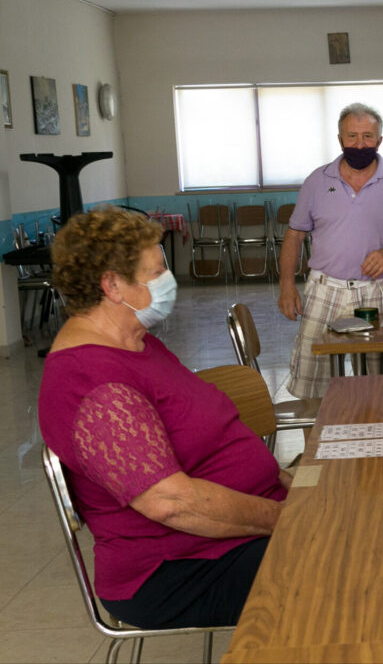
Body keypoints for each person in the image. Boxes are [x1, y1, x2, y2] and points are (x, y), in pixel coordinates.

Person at [38, 208, 290, 629]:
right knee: (358, 562)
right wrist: (286, 518)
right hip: (175, 570)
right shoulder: (90, 382)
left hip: (223, 538)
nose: (167, 281)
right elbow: (171, 503)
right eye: (157, 272)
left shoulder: (134, 343)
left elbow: (207, 436)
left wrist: (283, 481)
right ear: (112, 285)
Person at [278, 102, 383, 397]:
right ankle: (314, 443)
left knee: (380, 382)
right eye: (352, 136)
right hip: (324, 289)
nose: (360, 143)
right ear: (340, 139)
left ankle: (377, 439)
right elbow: (294, 234)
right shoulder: (317, 181)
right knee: (312, 381)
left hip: (376, 291)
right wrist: (287, 284)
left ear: (379, 140)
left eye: (367, 136)